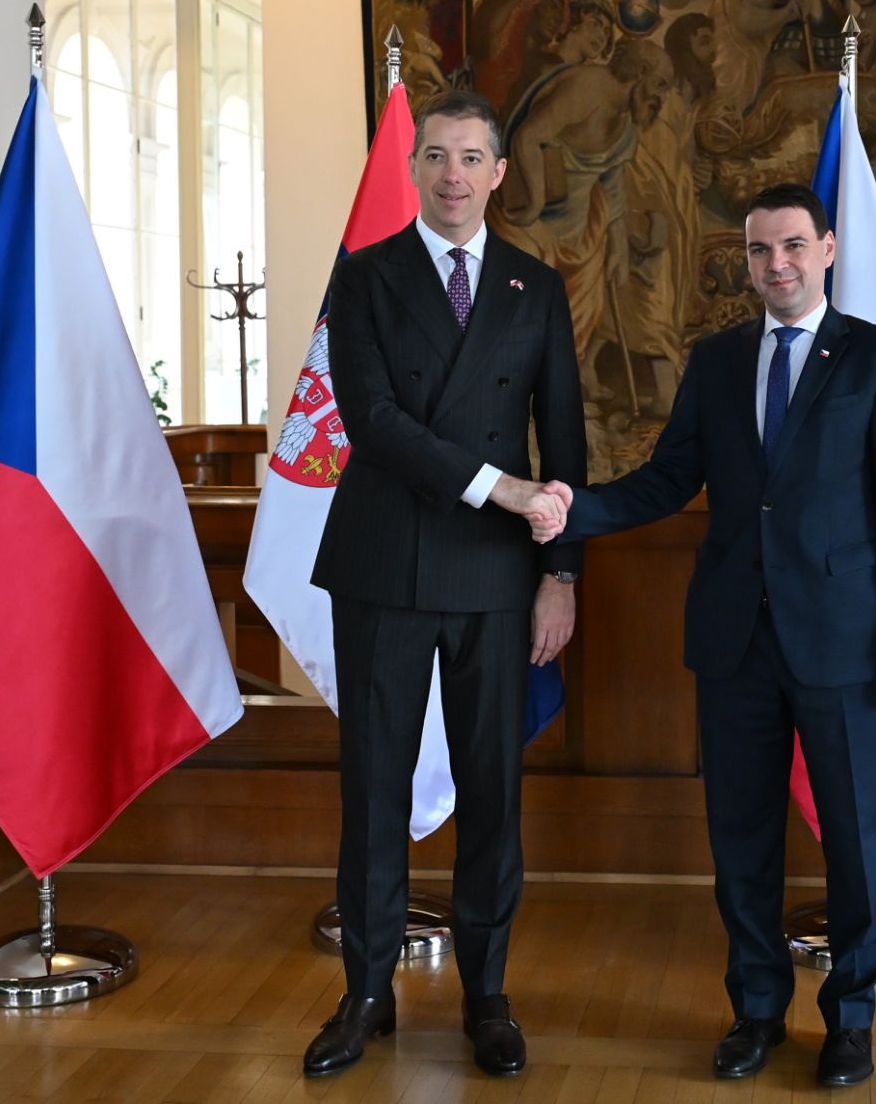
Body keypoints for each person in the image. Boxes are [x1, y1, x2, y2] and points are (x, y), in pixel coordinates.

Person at [548, 183, 876, 1088]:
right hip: (735, 642)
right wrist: (573, 510)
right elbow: (669, 477)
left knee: (854, 839)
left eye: (794, 245)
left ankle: (850, 1020)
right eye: (761, 250)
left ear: (827, 250)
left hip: (845, 640)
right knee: (741, 840)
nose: (777, 265)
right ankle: (756, 1009)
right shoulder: (717, 360)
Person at [305, 90, 586, 1079]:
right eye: (436, 155)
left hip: (499, 575)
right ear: (413, 167)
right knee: (374, 787)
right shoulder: (365, 276)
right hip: (384, 563)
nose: (453, 175)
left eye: (471, 157)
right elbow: (374, 421)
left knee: (493, 793)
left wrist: (560, 572)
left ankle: (487, 994)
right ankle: (365, 991)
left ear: (499, 173)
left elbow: (565, 441)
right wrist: (496, 485)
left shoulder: (535, 288)